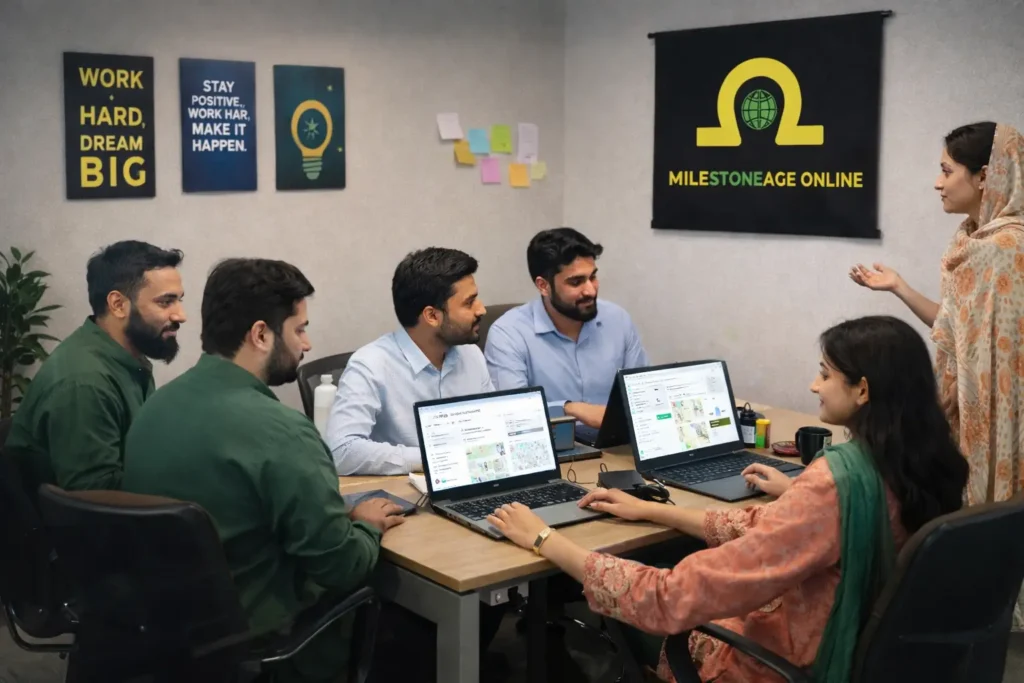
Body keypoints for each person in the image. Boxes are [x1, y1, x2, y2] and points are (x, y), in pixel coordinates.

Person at [486, 316, 968, 683]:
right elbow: (777, 527)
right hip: (868, 647)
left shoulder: (836, 484)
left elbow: (672, 596)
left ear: (862, 389)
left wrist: (545, 538)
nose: (813, 386)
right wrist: (655, 509)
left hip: (788, 662)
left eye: (825, 374)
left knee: (661, 611)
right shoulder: (917, 463)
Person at [123, 258, 404, 683]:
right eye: (299, 329)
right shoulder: (284, 432)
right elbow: (341, 566)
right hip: (266, 641)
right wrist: (365, 526)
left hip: (165, 634)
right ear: (260, 334)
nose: (307, 345)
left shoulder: (155, 409)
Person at [850, 122, 1024, 627]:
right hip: (971, 414)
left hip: (990, 421)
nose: (937, 182)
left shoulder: (1001, 250)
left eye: (948, 170)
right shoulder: (975, 241)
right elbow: (956, 332)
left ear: (986, 176)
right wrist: (900, 288)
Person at [7, 240, 185, 495]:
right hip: (80, 530)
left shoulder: (128, 357)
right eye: (166, 302)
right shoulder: (85, 382)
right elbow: (94, 498)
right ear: (118, 304)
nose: (180, 315)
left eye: (179, 300)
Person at [326, 247, 492, 476]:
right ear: (432, 316)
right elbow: (341, 451)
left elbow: (492, 432)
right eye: (469, 302)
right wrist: (434, 457)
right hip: (405, 498)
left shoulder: (471, 356)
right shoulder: (371, 365)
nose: (482, 309)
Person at [484, 227, 648, 429]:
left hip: (617, 447)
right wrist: (570, 409)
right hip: (555, 450)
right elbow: (512, 412)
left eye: (593, 277)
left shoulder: (618, 320)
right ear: (543, 286)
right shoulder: (508, 333)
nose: (590, 290)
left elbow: (643, 393)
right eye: (576, 282)